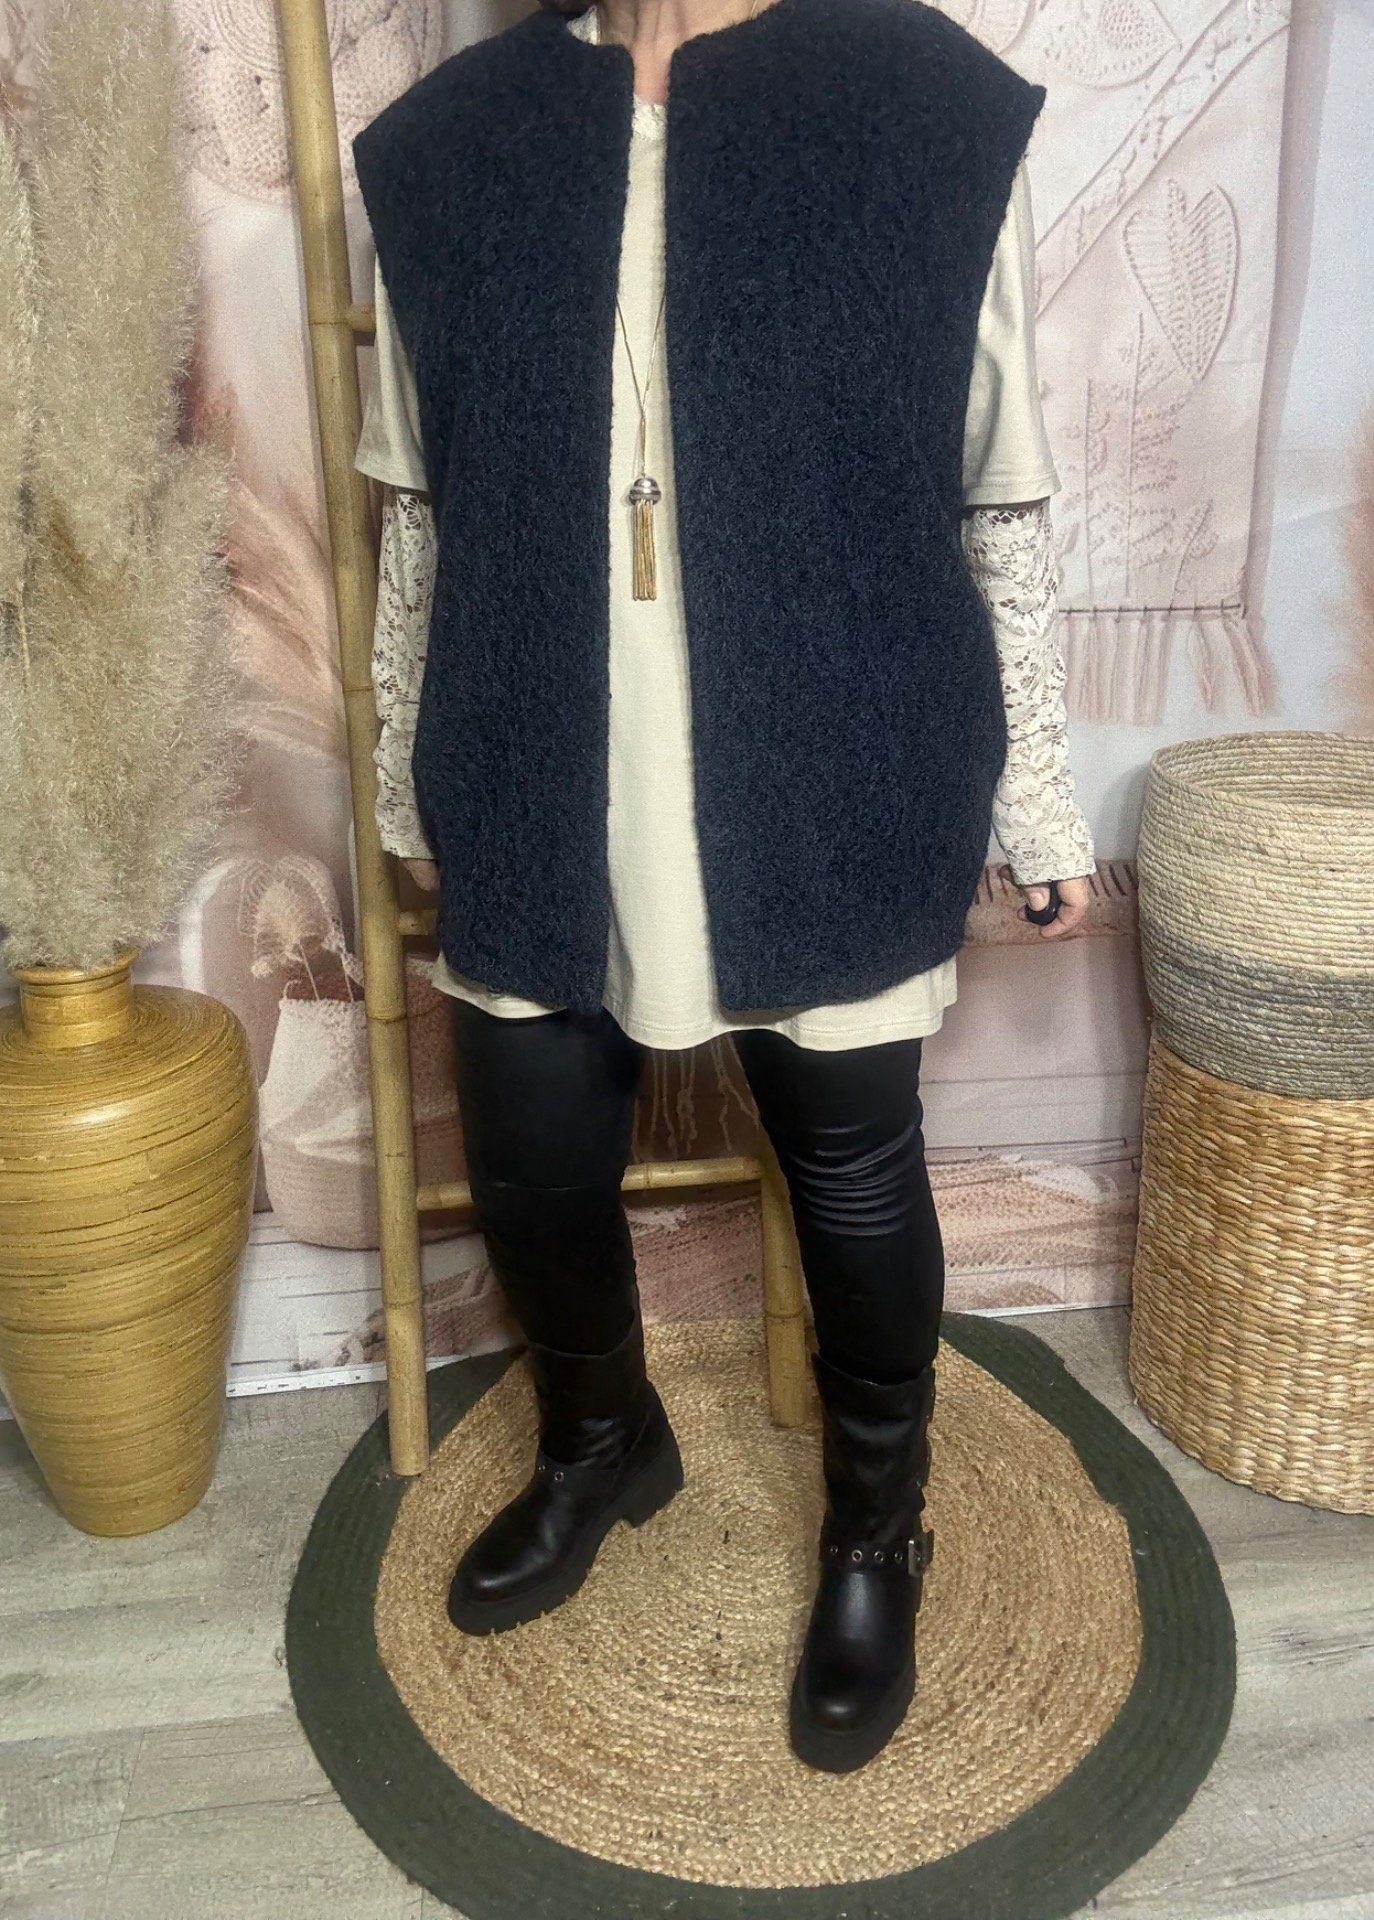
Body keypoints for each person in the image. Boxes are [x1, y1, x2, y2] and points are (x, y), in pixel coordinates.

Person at [352, 0, 1095, 1775]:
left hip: (838, 743)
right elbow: (419, 513)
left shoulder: (916, 104)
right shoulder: (454, 142)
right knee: (530, 1155)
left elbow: (995, 494)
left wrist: (1042, 800)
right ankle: (602, 1441)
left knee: (849, 1165)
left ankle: (873, 1536)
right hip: (538, 738)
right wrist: (400, 768)